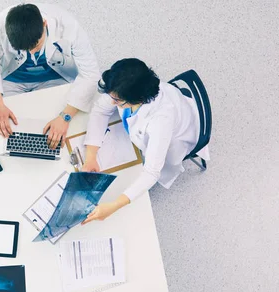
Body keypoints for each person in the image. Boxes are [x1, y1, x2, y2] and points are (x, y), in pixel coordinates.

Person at [80, 58, 210, 225]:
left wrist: (114, 206)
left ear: (138, 98)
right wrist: (91, 156)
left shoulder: (160, 121)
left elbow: (151, 172)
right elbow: (100, 110)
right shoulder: (125, 86)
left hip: (177, 137)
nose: (112, 102)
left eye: (118, 101)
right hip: (177, 109)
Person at [0, 3, 100, 148]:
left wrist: (65, 117)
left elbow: (91, 74)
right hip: (11, 79)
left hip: (53, 77)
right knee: (3, 130)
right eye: (25, 49)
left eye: (36, 46)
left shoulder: (69, 26)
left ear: (45, 24)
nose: (31, 53)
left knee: (59, 130)